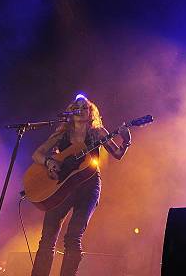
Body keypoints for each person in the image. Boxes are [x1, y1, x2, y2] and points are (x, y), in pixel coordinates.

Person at [31, 94, 131, 276]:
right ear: (71, 112)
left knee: (73, 236)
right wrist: (49, 163)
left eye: (85, 107)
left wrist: (126, 141)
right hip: (62, 186)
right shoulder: (62, 134)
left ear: (90, 112)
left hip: (89, 186)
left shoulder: (98, 132)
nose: (82, 109)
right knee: (47, 238)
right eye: (77, 107)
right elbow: (37, 154)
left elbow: (116, 154)